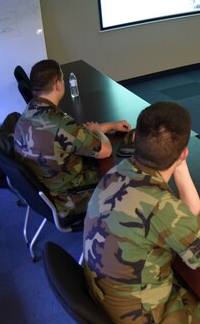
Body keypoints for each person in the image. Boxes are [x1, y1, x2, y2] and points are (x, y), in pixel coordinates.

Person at [84, 101, 200, 324]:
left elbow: (188, 219)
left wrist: (180, 165)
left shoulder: (119, 172)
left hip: (110, 303)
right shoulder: (162, 207)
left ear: (135, 138)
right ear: (185, 152)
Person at [13, 59, 130, 215]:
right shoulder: (61, 123)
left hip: (45, 189)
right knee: (125, 169)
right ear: (58, 84)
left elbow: (76, 133)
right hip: (71, 198)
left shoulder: (30, 111)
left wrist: (110, 125)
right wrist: (99, 132)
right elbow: (105, 150)